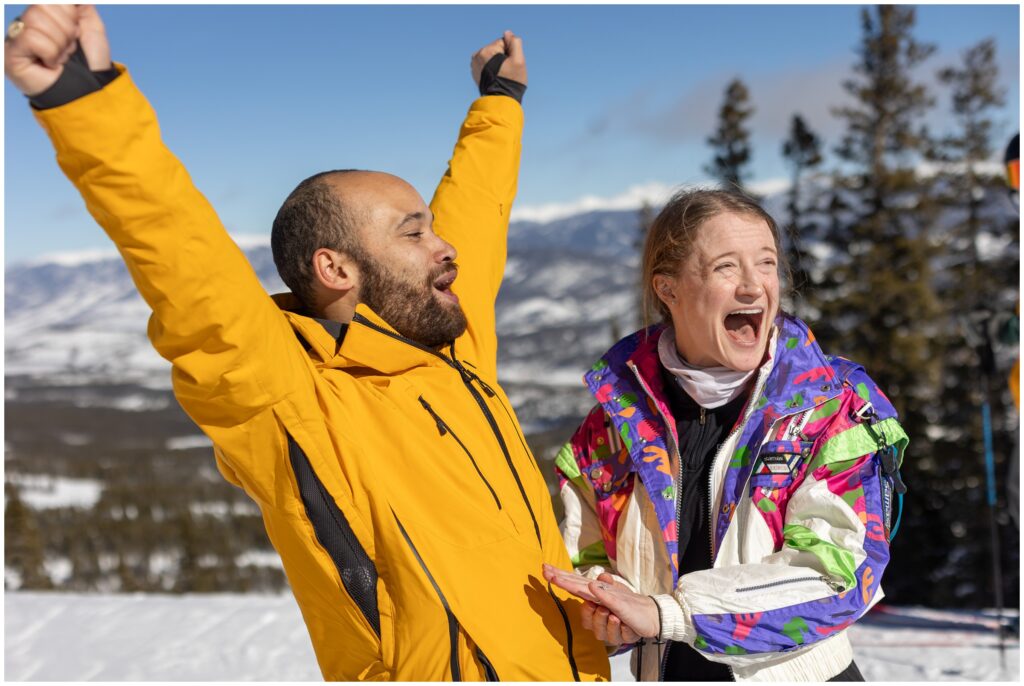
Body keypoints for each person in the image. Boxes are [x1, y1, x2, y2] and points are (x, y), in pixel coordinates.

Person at [4, 5, 610, 681]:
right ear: (336, 269)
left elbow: (480, 208)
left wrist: (499, 102)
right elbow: (183, 258)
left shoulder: (453, 346)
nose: (446, 250)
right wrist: (83, 104)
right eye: (413, 234)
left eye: (430, 230)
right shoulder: (289, 397)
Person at [543, 189, 909, 681]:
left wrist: (669, 614)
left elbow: (838, 574)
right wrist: (605, 605)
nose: (755, 287)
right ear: (668, 289)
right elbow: (579, 558)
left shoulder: (831, 405)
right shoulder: (613, 425)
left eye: (766, 263)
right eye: (726, 268)